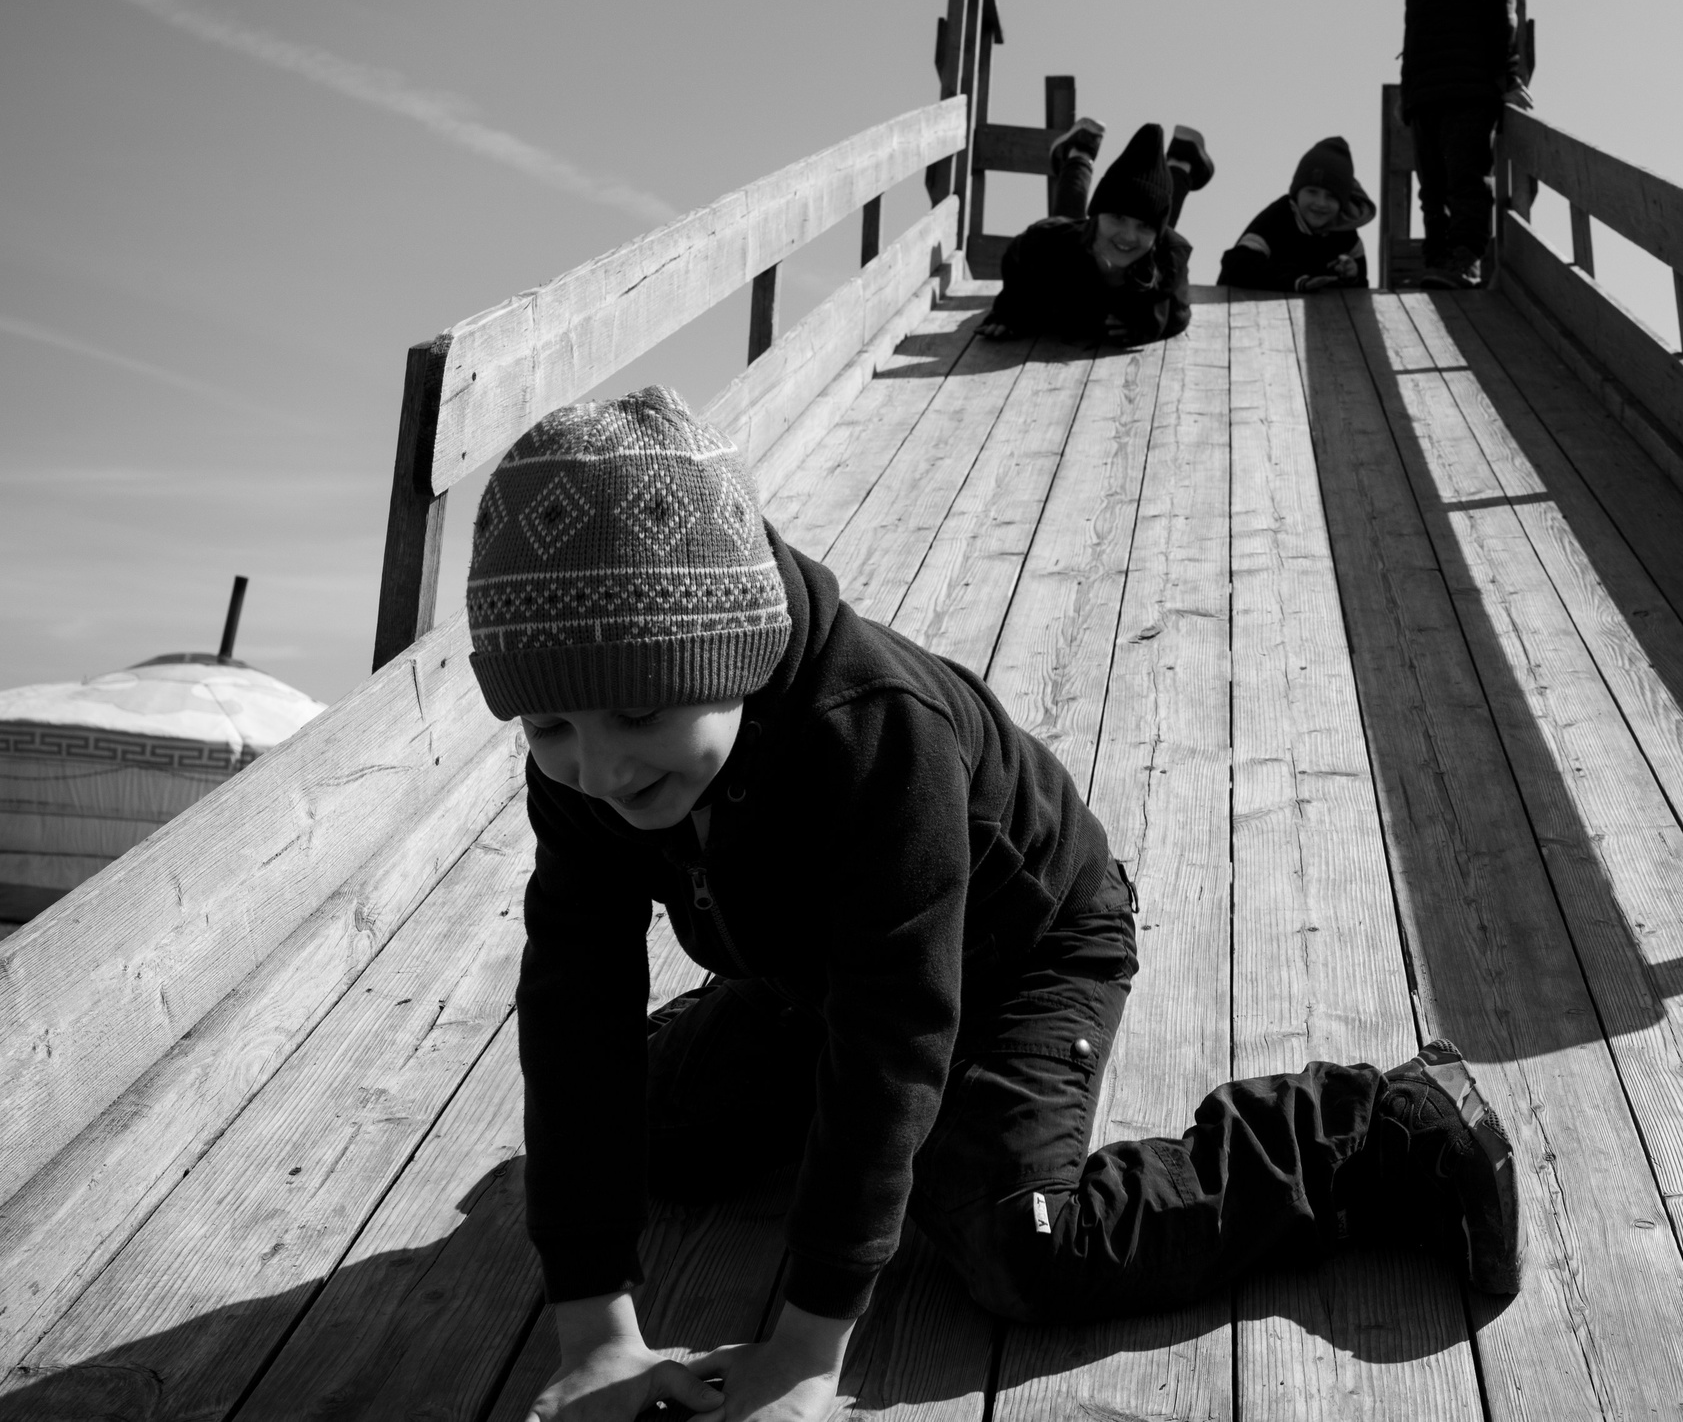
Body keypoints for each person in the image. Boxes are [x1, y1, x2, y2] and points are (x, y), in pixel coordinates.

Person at [472, 387, 1520, 1422]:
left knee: (1018, 1244)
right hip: (818, 968)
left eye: (641, 709)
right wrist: (594, 1331)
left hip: (1020, 951)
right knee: (656, 1133)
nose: (599, 766)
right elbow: (576, 1008)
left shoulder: (877, 735)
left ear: (733, 651)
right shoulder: (585, 769)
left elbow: (894, 1035)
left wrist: (803, 1348)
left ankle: (1366, 1132)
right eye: (548, 725)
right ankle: (762, 1058)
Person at [1397, 0, 1530, 289]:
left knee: (1466, 177)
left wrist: (1508, 78)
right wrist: (1408, 91)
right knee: (1431, 184)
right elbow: (1412, 31)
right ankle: (1437, 257)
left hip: (1469, 88)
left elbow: (1500, 14)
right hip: (1426, 93)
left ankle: (1466, 257)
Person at [984, 122, 1213, 345]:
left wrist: (1148, 325)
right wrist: (1010, 310)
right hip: (1074, 241)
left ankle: (1180, 164)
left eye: (1143, 226)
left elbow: (1178, 317)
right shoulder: (1048, 242)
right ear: (1097, 215)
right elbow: (1018, 258)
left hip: (1148, 253)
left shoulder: (1169, 259)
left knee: (1148, 227)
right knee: (1070, 227)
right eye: (1117, 218)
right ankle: (1079, 153)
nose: (1128, 235)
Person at [1215, 136, 1375, 294]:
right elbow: (1236, 265)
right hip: (1244, 307)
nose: (1320, 203)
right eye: (1312, 192)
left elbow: (1361, 292)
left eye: (1331, 196)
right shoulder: (1277, 219)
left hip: (1317, 314)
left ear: (1342, 203)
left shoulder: (1347, 234)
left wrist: (1351, 277)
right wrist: (1297, 281)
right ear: (1296, 193)